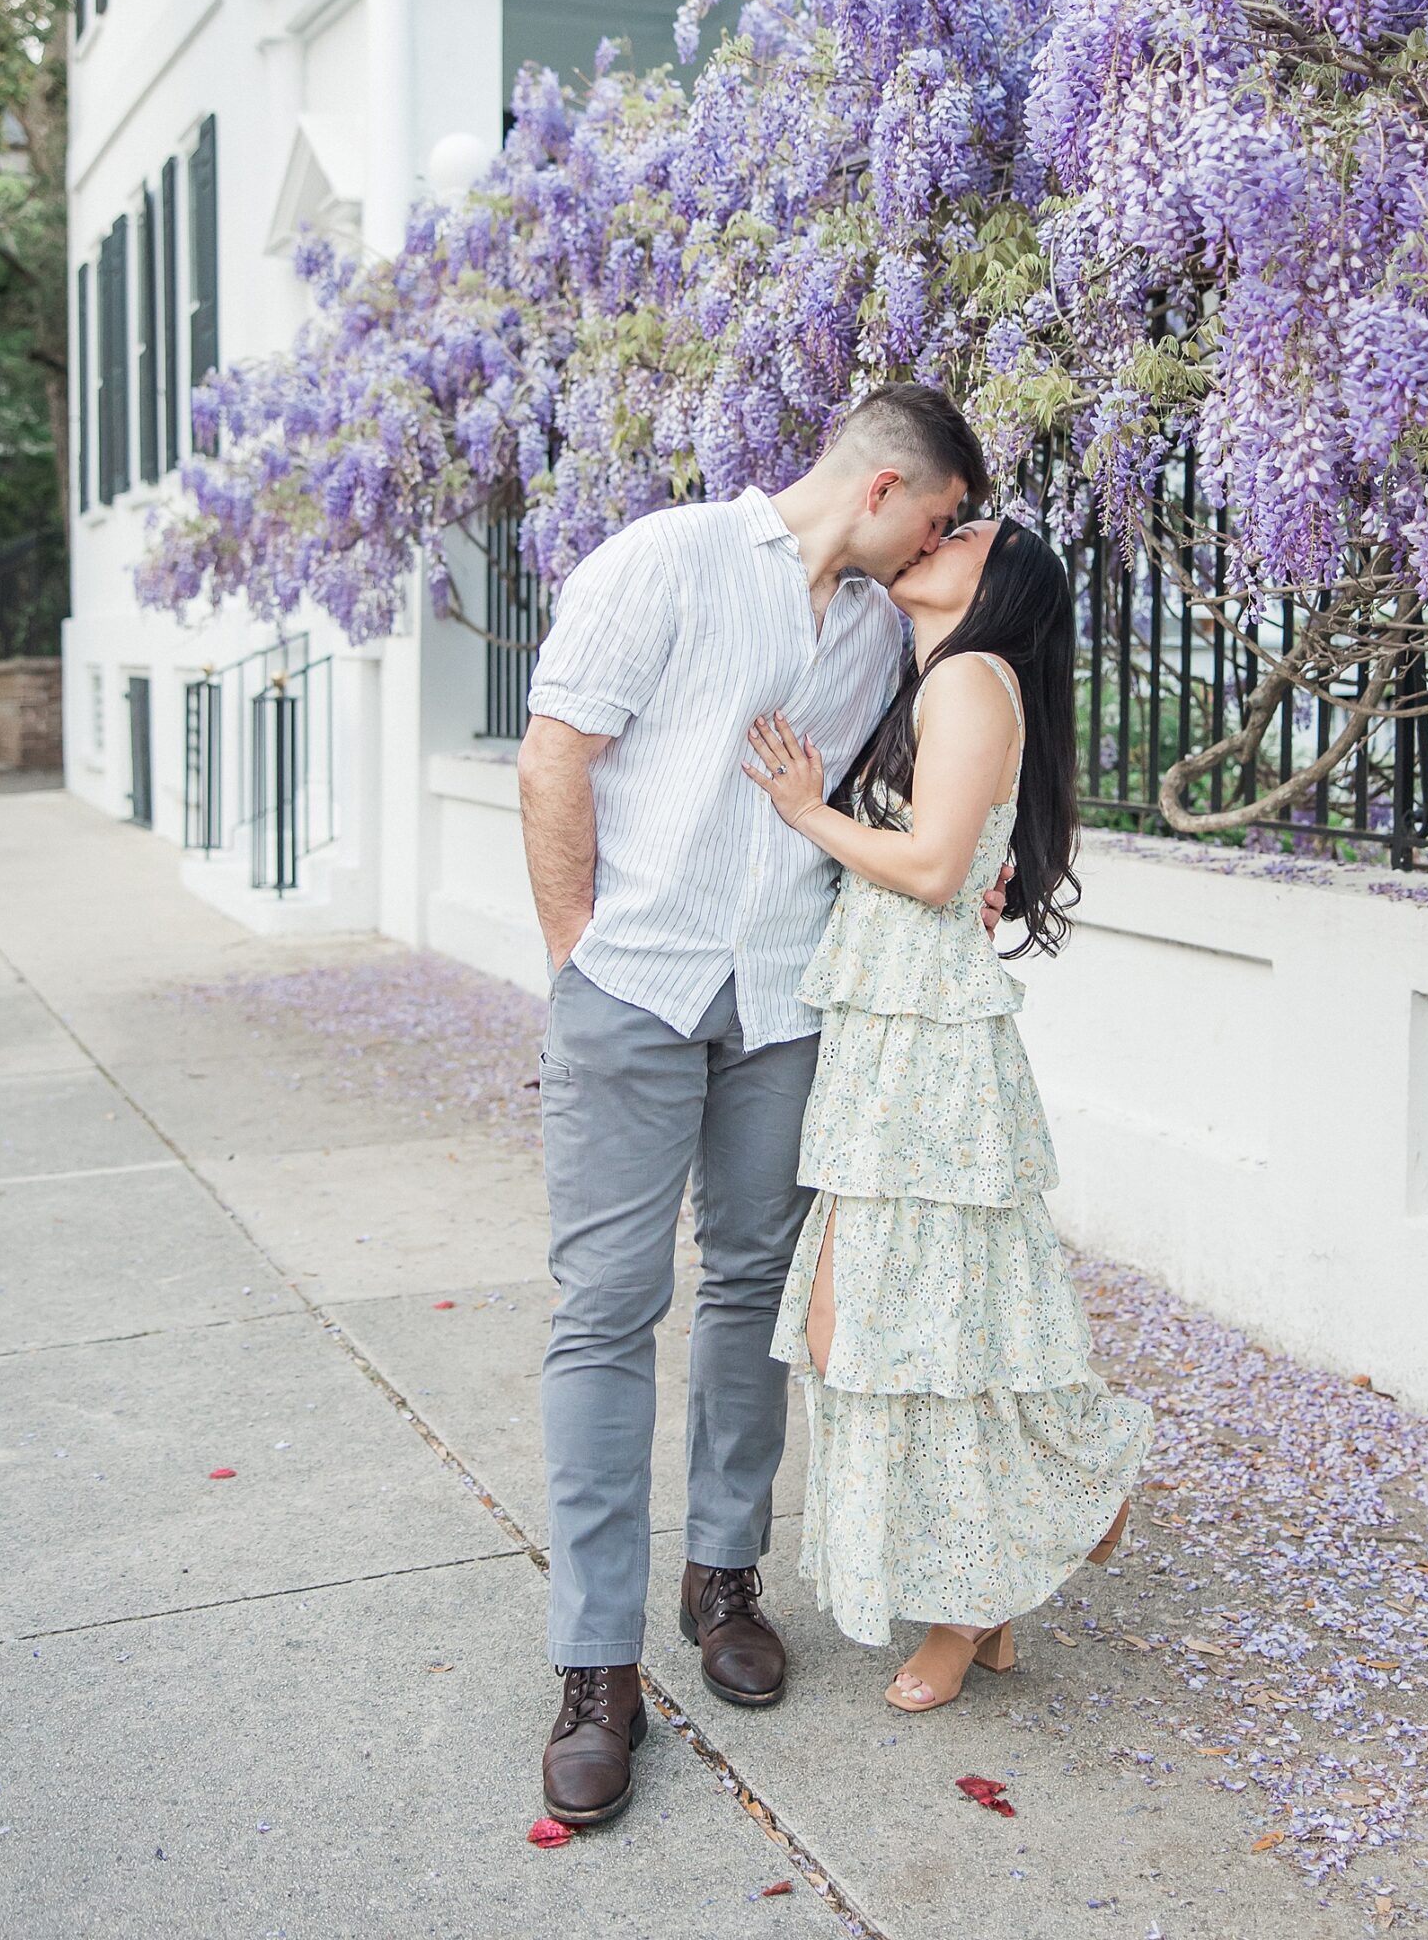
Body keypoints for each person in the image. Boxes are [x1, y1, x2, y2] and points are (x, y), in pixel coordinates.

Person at [518, 384, 991, 1827]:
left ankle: (723, 1580)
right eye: (941, 514)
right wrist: (574, 961)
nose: (943, 542)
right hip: (636, 987)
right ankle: (595, 1670)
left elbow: (938, 779)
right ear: (885, 488)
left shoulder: (873, 631)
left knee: (745, 1293)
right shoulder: (658, 560)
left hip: (782, 1001)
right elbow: (555, 758)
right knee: (603, 1312)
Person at [744, 516, 1153, 1711]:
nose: (937, 534)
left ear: (1001, 581)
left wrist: (806, 810)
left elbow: (929, 868)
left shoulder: (973, 675)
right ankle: (1014, 1551)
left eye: (966, 531)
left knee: (896, 1316)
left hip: (924, 1031)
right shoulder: (927, 672)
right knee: (885, 1317)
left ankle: (998, 1568)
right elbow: (960, 858)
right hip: (891, 1019)